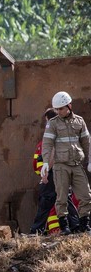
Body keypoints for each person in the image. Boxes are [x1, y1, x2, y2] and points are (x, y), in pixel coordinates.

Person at [42, 91, 91, 234]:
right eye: (56, 109)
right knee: (61, 197)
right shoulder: (53, 123)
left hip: (76, 164)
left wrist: (89, 159)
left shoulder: (79, 121)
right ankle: (64, 227)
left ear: (69, 106)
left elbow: (86, 142)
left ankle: (84, 225)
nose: (59, 111)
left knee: (86, 195)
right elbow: (47, 143)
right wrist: (45, 161)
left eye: (61, 108)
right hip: (61, 165)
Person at [30, 109, 79, 235]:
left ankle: (36, 230)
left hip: (54, 172)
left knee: (46, 200)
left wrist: (45, 173)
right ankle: (75, 226)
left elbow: (51, 155)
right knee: (66, 199)